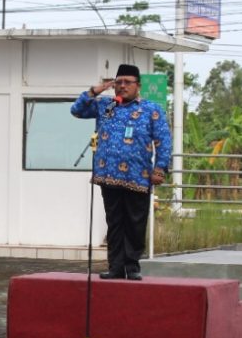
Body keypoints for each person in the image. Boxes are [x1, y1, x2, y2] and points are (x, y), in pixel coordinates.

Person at [71, 63, 171, 280]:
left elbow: (163, 140)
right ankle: (115, 267)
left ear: (138, 86)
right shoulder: (105, 106)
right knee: (114, 223)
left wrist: (160, 169)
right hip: (108, 175)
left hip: (138, 176)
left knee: (135, 223)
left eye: (127, 82)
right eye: (118, 82)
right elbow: (76, 110)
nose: (122, 86)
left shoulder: (151, 110)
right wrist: (95, 91)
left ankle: (132, 266)